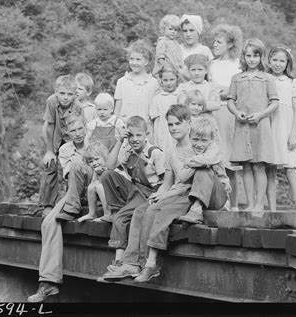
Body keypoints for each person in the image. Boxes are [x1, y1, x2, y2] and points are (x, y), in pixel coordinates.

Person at [100, 105, 227, 283]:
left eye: (177, 124)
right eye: (170, 125)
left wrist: (169, 194)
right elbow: (168, 184)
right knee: (142, 211)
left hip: (204, 194)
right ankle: (130, 263)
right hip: (180, 193)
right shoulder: (171, 151)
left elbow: (201, 176)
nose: (173, 128)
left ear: (189, 124)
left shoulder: (200, 141)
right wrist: (158, 196)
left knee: (159, 211)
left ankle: (147, 262)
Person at [27, 116, 91, 302]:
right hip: (74, 194)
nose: (78, 134)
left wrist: (87, 146)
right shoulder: (65, 149)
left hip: (96, 190)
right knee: (49, 223)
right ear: (67, 134)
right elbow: (71, 175)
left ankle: (73, 207)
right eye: (73, 131)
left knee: (81, 166)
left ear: (85, 128)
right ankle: (48, 282)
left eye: (81, 129)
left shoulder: (94, 142)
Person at [101, 116, 165, 266]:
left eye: (139, 135)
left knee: (120, 219)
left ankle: (118, 262)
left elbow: (166, 181)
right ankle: (118, 209)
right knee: (107, 175)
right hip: (135, 191)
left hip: (150, 193)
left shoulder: (155, 153)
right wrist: (119, 141)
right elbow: (109, 167)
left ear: (146, 135)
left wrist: (156, 200)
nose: (134, 139)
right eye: (131, 135)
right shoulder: (129, 152)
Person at [227, 38, 279, 211]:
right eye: (248, 55)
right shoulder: (237, 78)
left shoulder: (267, 79)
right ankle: (249, 204)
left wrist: (260, 115)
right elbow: (230, 102)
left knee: (259, 165)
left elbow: (274, 103)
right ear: (244, 57)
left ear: (261, 57)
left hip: (260, 126)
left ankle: (259, 204)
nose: (252, 59)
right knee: (246, 166)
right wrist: (237, 113)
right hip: (242, 127)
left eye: (255, 55)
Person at [209, 24, 244, 211]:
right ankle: (218, 202)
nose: (215, 44)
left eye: (219, 41)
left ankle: (235, 204)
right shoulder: (212, 65)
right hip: (213, 114)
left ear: (230, 44)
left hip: (230, 115)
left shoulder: (237, 65)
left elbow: (241, 90)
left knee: (230, 161)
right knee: (215, 160)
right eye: (214, 41)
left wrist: (228, 92)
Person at [39, 74, 84, 217]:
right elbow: (50, 126)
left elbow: (79, 129)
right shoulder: (51, 102)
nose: (65, 97)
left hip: (72, 138)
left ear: (75, 94)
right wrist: (50, 151)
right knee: (50, 164)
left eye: (69, 94)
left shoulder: (78, 106)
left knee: (72, 166)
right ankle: (47, 204)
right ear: (56, 92)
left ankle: (70, 200)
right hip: (55, 136)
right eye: (62, 93)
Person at [265, 45, 296, 211]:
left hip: (286, 128)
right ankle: (272, 209)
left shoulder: (292, 82)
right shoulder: (266, 79)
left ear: (287, 63)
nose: (278, 64)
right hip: (270, 126)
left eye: (282, 60)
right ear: (269, 61)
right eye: (275, 60)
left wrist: (293, 134)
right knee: (270, 170)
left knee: (291, 169)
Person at [114, 39, 159, 128]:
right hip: (125, 128)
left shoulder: (154, 83)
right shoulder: (122, 82)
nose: (134, 63)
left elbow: (155, 113)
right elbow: (117, 111)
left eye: (138, 59)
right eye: (132, 59)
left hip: (146, 129)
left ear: (146, 61)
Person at [77, 141, 111, 223]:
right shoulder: (97, 170)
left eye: (96, 159)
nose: (94, 163)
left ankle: (108, 215)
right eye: (91, 161)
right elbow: (93, 183)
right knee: (92, 186)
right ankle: (92, 213)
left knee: (99, 187)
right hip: (105, 195)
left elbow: (109, 184)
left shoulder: (109, 166)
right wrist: (96, 173)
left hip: (115, 196)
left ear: (104, 157)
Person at [149, 63, 181, 152]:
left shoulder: (180, 96)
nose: (169, 83)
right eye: (165, 80)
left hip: (177, 130)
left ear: (177, 79)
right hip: (162, 133)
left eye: (172, 79)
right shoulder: (157, 98)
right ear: (161, 81)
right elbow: (154, 121)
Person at [179, 14, 214, 80]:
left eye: (191, 30)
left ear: (198, 31)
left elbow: (210, 76)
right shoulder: (177, 50)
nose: (188, 34)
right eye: (185, 31)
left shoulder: (205, 50)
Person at [152, 15, 185, 81]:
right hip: (165, 71)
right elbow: (161, 57)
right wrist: (165, 67)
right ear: (164, 29)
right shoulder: (163, 42)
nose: (173, 32)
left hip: (175, 70)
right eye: (170, 29)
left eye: (175, 30)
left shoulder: (175, 43)